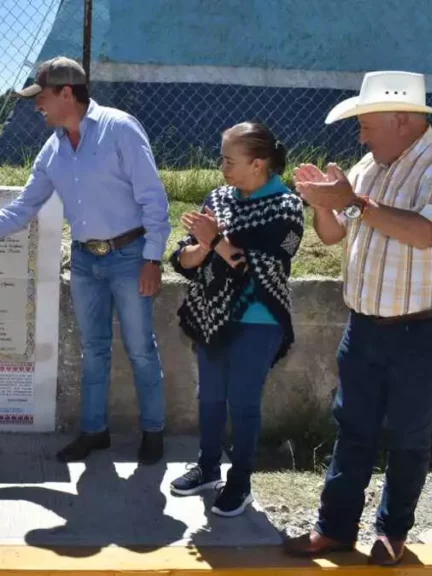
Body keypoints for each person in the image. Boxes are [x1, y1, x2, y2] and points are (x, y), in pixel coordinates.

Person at [283, 71, 432, 566]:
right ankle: (334, 529)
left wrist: (350, 201)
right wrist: (322, 203)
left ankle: (392, 533)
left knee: (409, 435)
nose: (361, 136)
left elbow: (426, 233)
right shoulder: (370, 166)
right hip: (365, 326)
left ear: (403, 120)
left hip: (427, 330)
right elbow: (334, 235)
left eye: (367, 125)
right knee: (352, 428)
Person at [0, 56, 172, 464]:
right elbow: (23, 208)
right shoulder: (52, 150)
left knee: (140, 349)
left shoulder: (120, 129)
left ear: (67, 93)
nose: (37, 106)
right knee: (94, 349)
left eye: (43, 97)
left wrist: (152, 259)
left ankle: (153, 432)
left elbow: (153, 198)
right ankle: (94, 432)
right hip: (87, 261)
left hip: (130, 257)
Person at [168, 122, 304, 517]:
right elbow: (186, 257)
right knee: (209, 398)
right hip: (212, 314)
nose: (222, 166)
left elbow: (265, 265)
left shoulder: (286, 206)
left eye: (230, 159)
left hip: (258, 318)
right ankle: (208, 467)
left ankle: (240, 482)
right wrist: (197, 249)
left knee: (243, 403)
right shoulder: (220, 197)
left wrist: (215, 242)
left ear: (258, 163)